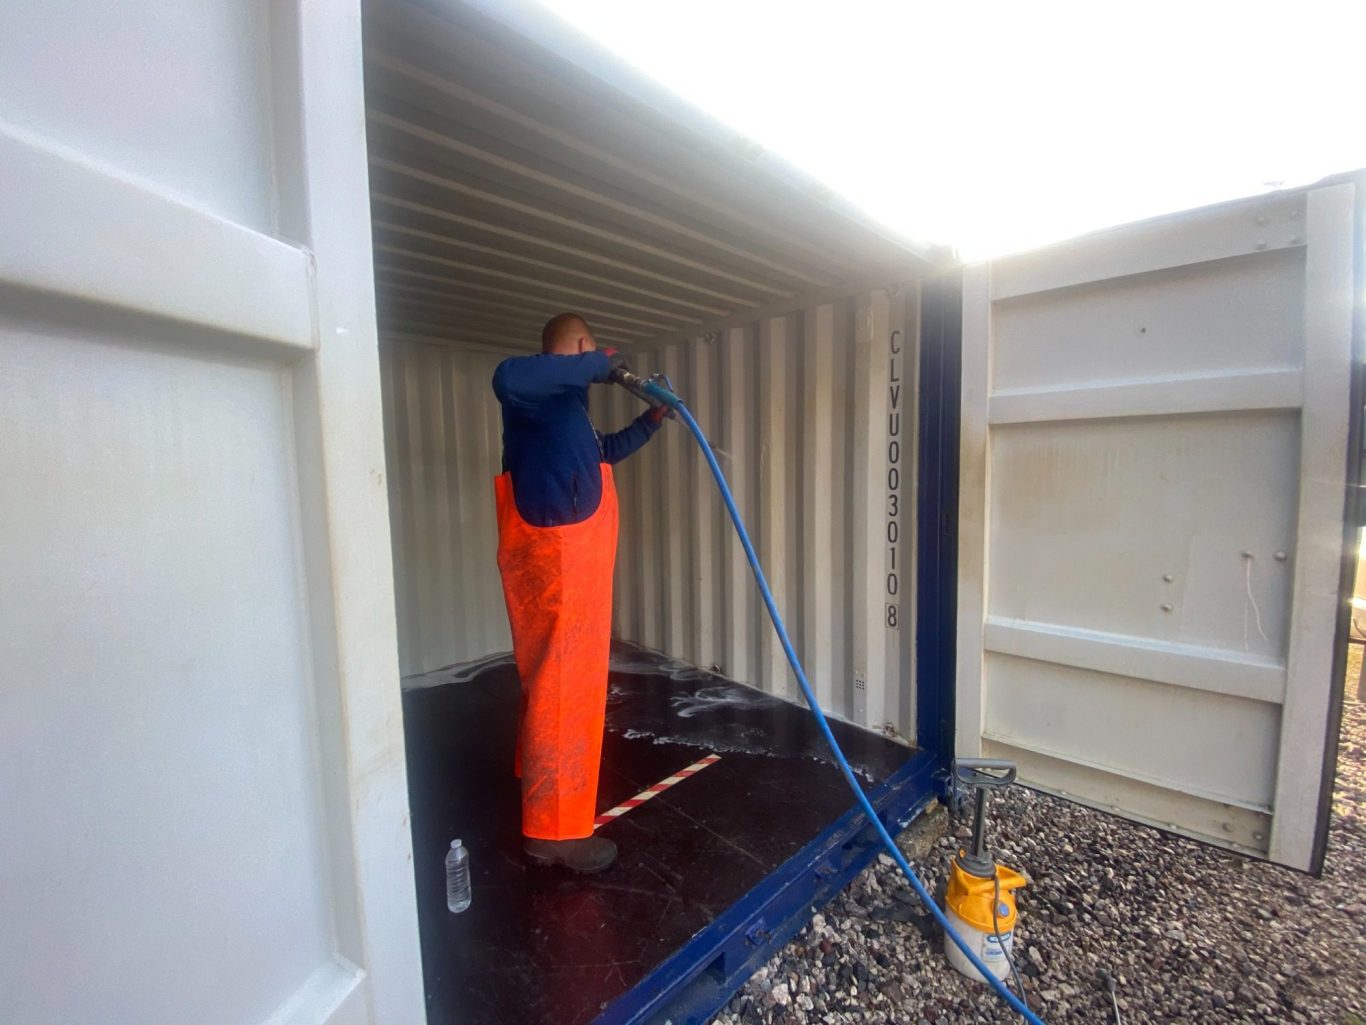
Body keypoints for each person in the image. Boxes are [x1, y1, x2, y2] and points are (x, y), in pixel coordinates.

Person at [491, 312, 666, 873]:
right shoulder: (530, 390)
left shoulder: (566, 410)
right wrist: (602, 365)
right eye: (589, 351)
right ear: (582, 346)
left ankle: (533, 775)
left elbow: (602, 453)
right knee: (565, 688)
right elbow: (505, 377)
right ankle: (556, 833)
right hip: (557, 557)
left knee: (550, 679)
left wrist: (652, 419)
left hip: (573, 557)